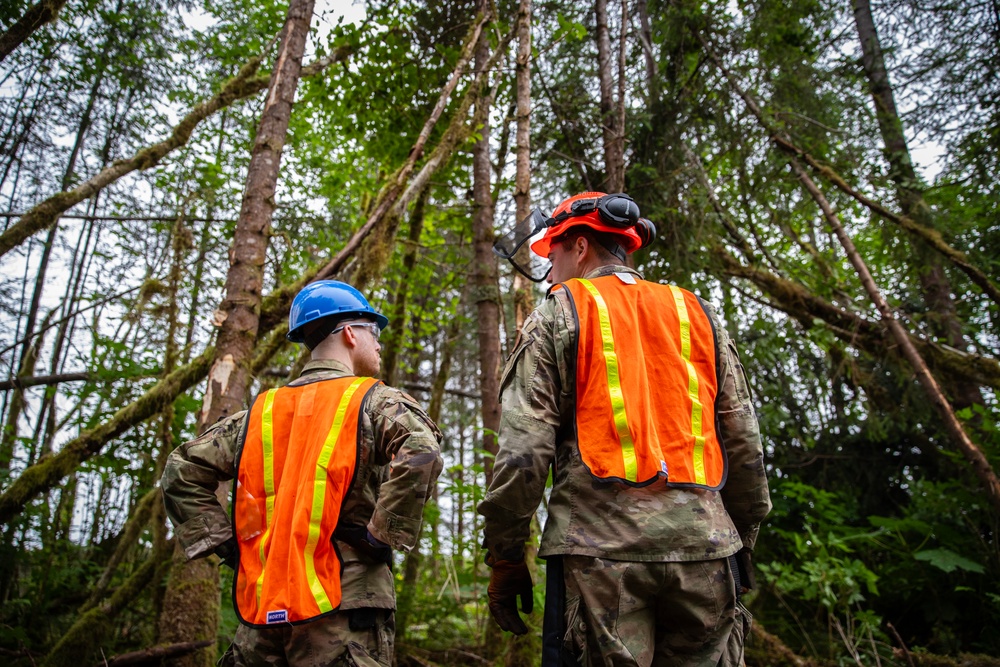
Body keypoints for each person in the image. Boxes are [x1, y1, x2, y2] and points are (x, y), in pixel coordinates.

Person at [479, 192, 771, 666]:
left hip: (599, 559)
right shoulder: (695, 313)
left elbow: (522, 453)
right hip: (707, 553)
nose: (549, 271)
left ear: (578, 246)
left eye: (552, 255)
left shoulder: (557, 313)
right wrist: (739, 542)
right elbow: (743, 440)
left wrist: (507, 556)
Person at [161, 280, 443, 667]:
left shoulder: (258, 415)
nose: (378, 343)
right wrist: (383, 535)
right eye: (372, 331)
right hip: (344, 609)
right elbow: (422, 449)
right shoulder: (373, 401)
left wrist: (227, 545)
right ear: (348, 333)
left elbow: (180, 470)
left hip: (262, 608)